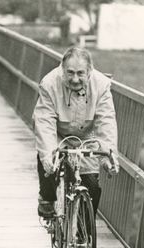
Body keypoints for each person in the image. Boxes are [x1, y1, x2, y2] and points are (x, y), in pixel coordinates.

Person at [32, 47, 119, 218]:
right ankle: (47, 198)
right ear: (62, 70)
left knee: (92, 186)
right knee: (49, 165)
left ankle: (84, 238)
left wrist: (108, 156)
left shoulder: (101, 85)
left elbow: (106, 122)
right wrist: (48, 156)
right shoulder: (49, 83)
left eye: (80, 73)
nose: (75, 78)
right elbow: (45, 122)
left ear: (90, 71)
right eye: (70, 73)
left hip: (86, 136)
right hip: (58, 133)